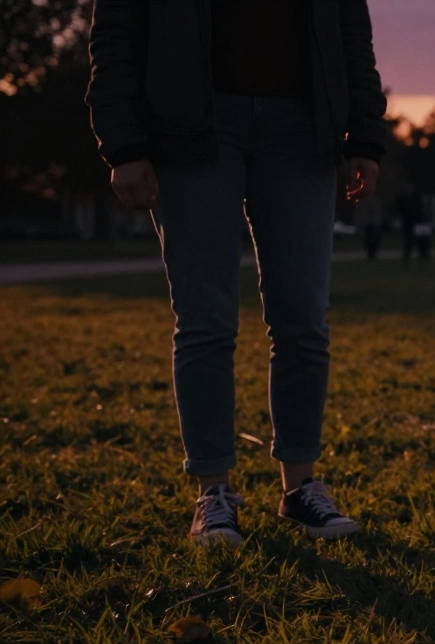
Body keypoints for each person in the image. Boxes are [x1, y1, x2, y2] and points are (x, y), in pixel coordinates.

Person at [86, 0, 388, 545]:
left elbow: (350, 27)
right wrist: (123, 143)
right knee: (205, 320)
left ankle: (300, 488)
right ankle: (214, 492)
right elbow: (116, 32)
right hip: (190, 122)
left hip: (302, 125)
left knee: (303, 319)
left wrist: (365, 134)